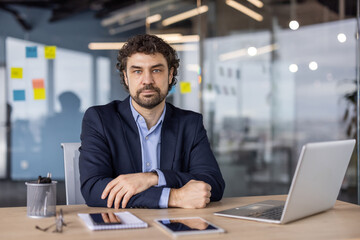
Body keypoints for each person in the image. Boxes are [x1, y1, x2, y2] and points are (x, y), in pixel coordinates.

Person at [79, 34, 225, 209]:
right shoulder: (100, 119)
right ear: (126, 77)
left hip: (178, 227)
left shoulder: (190, 123)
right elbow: (94, 189)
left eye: (156, 70)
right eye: (137, 71)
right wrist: (174, 197)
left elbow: (213, 185)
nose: (147, 80)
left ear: (170, 75)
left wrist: (152, 177)